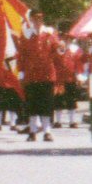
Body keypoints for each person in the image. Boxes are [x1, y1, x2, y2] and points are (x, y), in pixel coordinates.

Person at [17, 10, 63, 141]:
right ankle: (32, 131)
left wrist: (61, 48)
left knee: (47, 104)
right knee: (32, 104)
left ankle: (47, 131)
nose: (38, 21)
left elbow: (57, 52)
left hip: (47, 74)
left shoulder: (50, 33)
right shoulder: (26, 35)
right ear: (31, 19)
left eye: (40, 18)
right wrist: (21, 73)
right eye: (35, 18)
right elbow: (21, 55)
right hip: (31, 75)